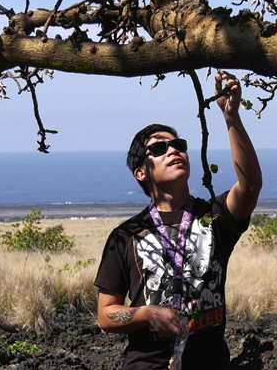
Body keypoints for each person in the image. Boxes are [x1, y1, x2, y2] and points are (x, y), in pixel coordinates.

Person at [93, 71, 262, 369]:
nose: (173, 150)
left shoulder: (215, 216)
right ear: (141, 173)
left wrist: (231, 116)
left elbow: (249, 187)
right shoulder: (124, 236)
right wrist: (147, 314)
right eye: (158, 149)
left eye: (179, 145)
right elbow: (106, 316)